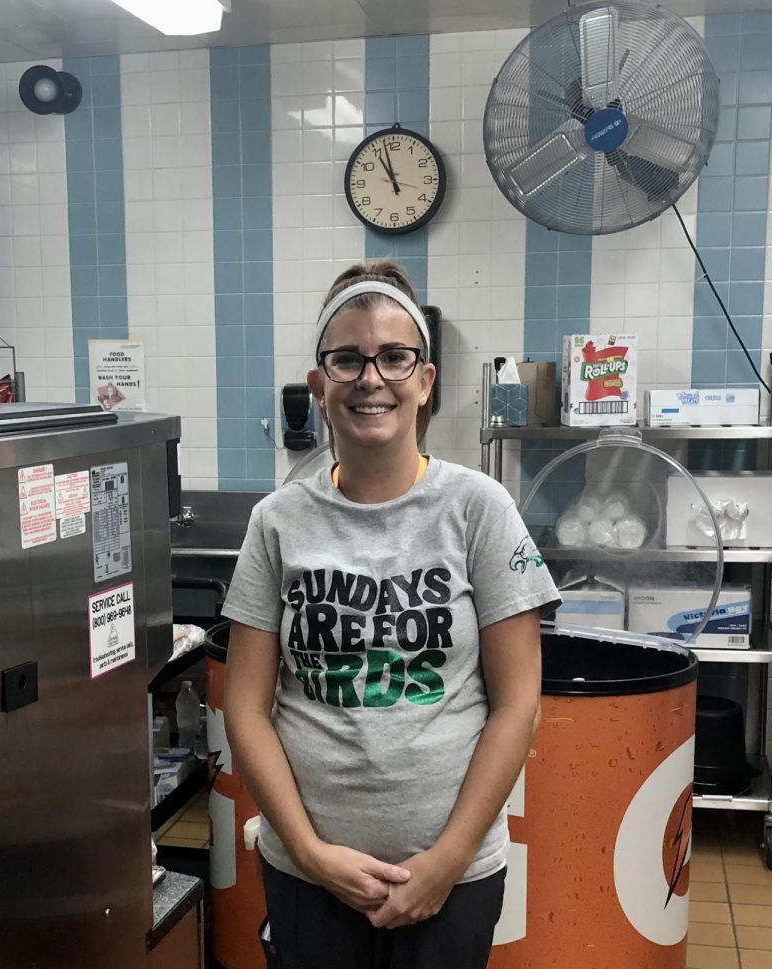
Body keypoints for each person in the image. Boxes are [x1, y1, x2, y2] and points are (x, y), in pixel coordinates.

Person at [221, 260, 561, 969]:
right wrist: (312, 854)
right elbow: (247, 708)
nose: (370, 378)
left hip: (452, 876)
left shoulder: (479, 510)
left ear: (425, 379)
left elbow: (518, 703)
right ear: (319, 385)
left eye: (394, 356)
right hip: (307, 874)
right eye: (347, 359)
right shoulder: (276, 522)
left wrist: (445, 861)